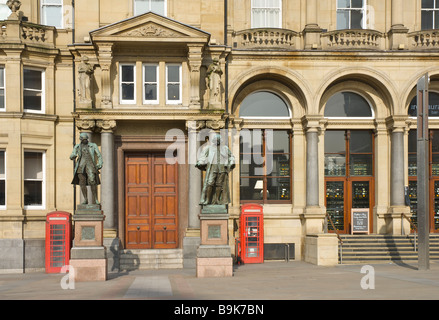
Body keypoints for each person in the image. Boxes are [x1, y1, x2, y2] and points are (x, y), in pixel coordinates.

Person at [196, 133, 235, 205]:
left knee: (219, 184)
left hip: (222, 167)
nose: (217, 141)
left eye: (219, 140)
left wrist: (232, 162)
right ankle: (207, 200)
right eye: (216, 140)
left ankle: (217, 199)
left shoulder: (225, 148)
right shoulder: (208, 148)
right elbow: (202, 156)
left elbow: (231, 156)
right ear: (214, 140)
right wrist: (200, 162)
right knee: (209, 183)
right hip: (212, 167)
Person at [70, 132, 103, 205]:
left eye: (85, 139)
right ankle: (85, 199)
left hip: (90, 165)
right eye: (83, 139)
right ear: (81, 139)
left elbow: (99, 155)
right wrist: (73, 155)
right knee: (82, 182)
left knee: (92, 181)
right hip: (81, 166)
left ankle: (95, 199)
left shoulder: (93, 145)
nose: (85, 140)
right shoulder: (77, 146)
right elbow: (72, 155)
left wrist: (100, 163)